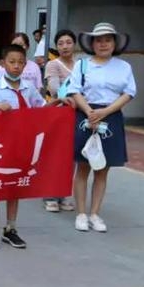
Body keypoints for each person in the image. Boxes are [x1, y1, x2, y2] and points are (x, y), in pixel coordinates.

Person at [0, 43, 47, 249]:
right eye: (12, 62)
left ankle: (10, 228)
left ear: (25, 65)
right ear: (2, 64)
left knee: (15, 186)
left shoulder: (29, 88)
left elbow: (42, 109)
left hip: (21, 143)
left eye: (20, 63)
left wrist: (61, 103)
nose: (16, 66)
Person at [67, 22, 136, 233]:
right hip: (85, 115)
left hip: (111, 116)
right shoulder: (82, 65)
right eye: (98, 40)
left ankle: (95, 214)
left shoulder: (124, 67)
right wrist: (90, 112)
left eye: (108, 40)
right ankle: (81, 213)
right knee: (82, 166)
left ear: (115, 43)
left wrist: (105, 112)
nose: (103, 44)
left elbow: (129, 93)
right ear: (92, 43)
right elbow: (74, 90)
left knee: (102, 169)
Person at [42, 29, 79, 213]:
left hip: (77, 115)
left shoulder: (82, 65)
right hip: (58, 115)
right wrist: (75, 95)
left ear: (74, 45)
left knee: (71, 157)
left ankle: (63, 193)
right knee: (55, 155)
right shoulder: (53, 64)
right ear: (56, 47)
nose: (65, 46)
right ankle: (49, 195)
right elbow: (55, 89)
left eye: (68, 42)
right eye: (61, 43)